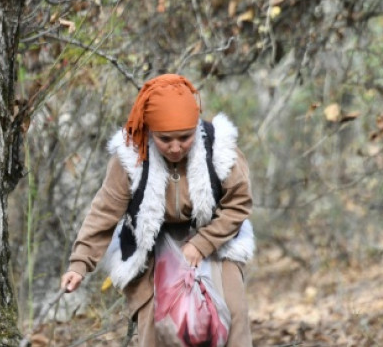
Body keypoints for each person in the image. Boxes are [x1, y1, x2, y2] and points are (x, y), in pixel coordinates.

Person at [60, 74, 255, 346]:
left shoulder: (219, 148)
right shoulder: (130, 157)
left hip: (215, 234)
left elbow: (239, 203)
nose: (175, 148)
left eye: (184, 138)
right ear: (151, 132)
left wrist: (202, 244)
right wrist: (80, 263)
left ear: (196, 128)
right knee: (157, 326)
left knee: (233, 315)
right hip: (150, 244)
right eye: (165, 139)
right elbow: (104, 211)